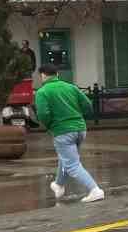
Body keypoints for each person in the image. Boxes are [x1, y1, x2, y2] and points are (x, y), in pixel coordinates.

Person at [33, 63, 104, 203]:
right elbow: (87, 105)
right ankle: (58, 185)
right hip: (80, 129)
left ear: (43, 75)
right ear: (57, 74)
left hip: (62, 131)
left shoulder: (42, 92)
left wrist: (50, 126)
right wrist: (77, 116)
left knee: (72, 165)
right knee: (66, 158)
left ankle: (95, 190)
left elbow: (43, 114)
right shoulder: (71, 87)